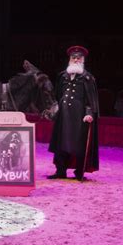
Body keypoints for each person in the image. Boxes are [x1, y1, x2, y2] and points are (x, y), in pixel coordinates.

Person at [48, 45, 99, 181]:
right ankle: (60, 170)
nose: (76, 60)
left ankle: (79, 172)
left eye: (78, 58)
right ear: (70, 59)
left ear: (83, 60)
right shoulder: (62, 76)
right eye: (73, 57)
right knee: (61, 142)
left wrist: (89, 113)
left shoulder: (87, 78)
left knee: (78, 144)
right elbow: (57, 96)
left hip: (79, 117)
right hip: (63, 116)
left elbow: (91, 99)